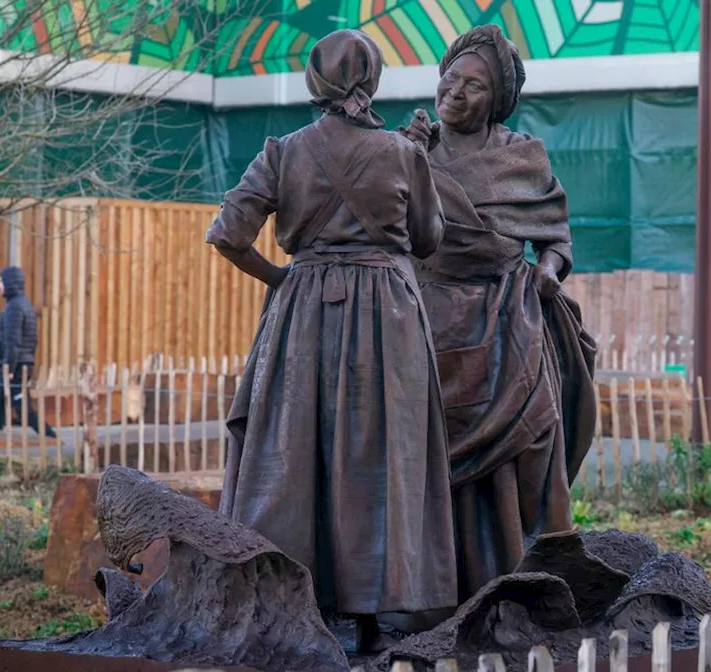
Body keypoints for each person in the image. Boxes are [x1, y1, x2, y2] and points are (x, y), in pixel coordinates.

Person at [205, 29, 457, 654]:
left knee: (296, 453)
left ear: (314, 83)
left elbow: (227, 234)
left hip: (305, 316)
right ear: (372, 81)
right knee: (379, 457)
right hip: (389, 318)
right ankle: (373, 621)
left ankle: (299, 604)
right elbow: (427, 240)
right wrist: (414, 156)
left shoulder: (283, 152)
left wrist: (282, 277)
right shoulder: (402, 152)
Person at [399, 25, 599, 601]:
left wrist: (549, 271)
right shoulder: (409, 148)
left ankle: (524, 567)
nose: (455, 92)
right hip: (425, 319)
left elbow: (557, 238)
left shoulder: (520, 157)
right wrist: (406, 159)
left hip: (508, 316)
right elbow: (382, 232)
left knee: (533, 437)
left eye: (475, 86)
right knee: (427, 451)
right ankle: (437, 586)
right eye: (451, 77)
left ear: (498, 101)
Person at [0, 266, 58, 439]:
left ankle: (50, 436)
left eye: (0, 281)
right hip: (20, 363)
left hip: (16, 366)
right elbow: (15, 338)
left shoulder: (14, 308)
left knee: (21, 408)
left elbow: (15, 342)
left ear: (9, 283)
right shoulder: (22, 305)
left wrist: (9, 366)